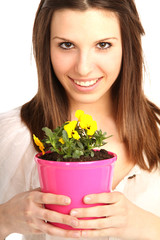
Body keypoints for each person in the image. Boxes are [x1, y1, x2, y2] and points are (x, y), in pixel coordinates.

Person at [0, 0, 160, 239]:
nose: (83, 68)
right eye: (66, 45)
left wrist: (145, 225)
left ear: (128, 46)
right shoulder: (12, 136)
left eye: (103, 45)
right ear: (45, 47)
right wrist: (4, 219)